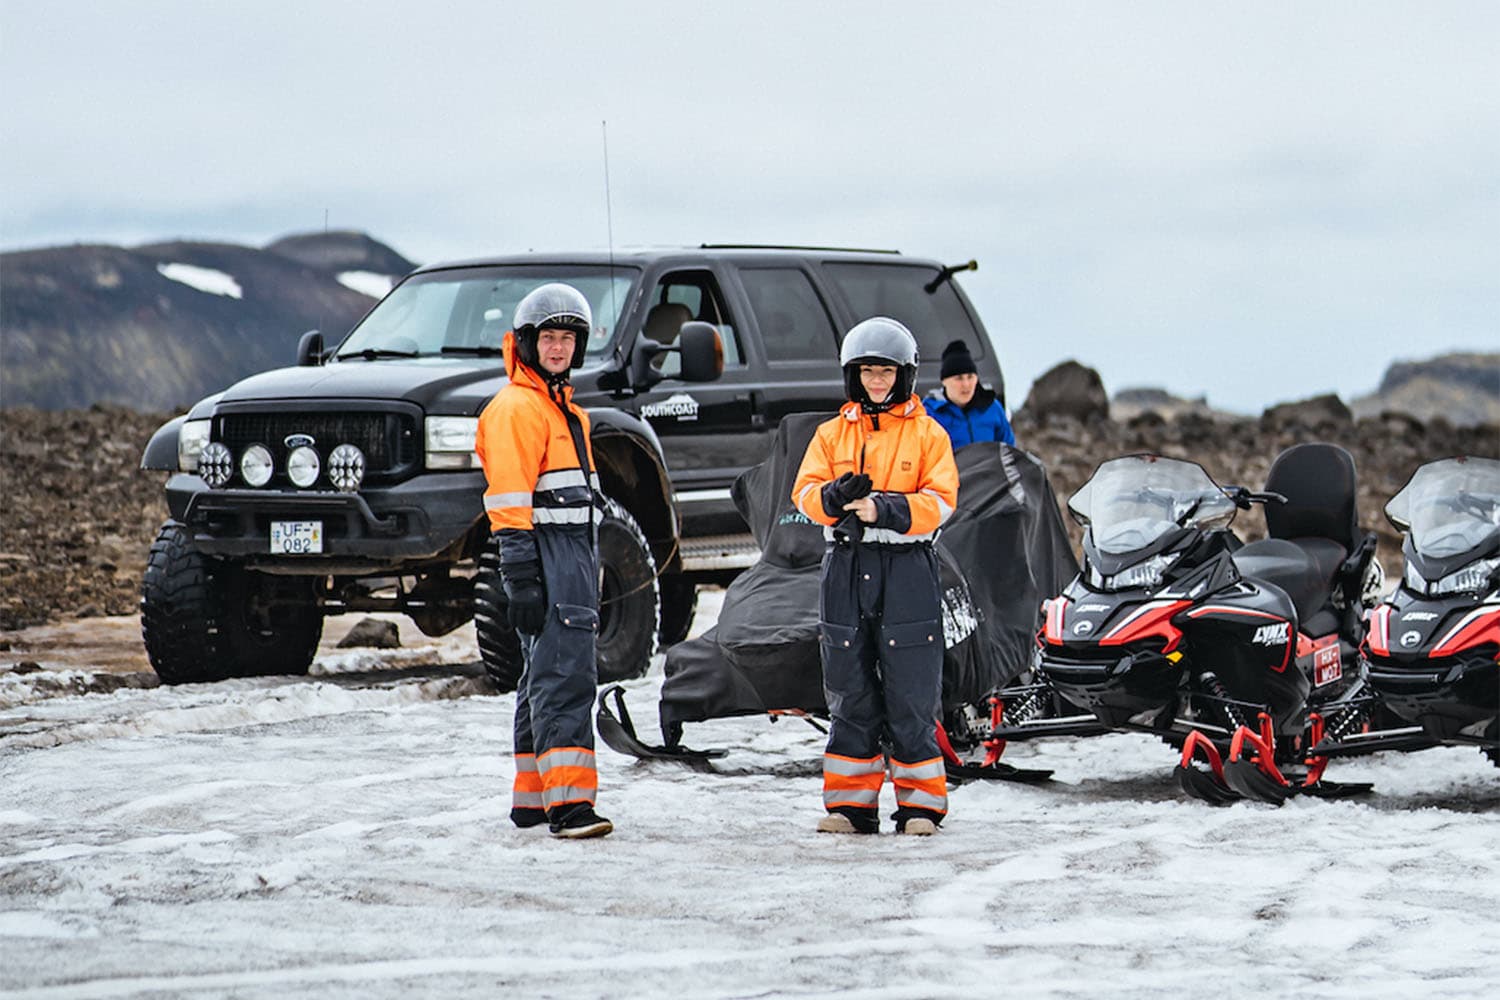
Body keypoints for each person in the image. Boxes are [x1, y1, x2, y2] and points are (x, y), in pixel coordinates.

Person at [790, 317, 960, 836]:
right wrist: (835, 498)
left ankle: (920, 807)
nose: (877, 381)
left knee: (911, 690)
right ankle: (850, 805)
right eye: (868, 372)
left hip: (907, 568)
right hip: (846, 566)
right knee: (849, 687)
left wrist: (885, 508)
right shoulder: (829, 434)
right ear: (853, 375)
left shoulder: (930, 433)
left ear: (904, 375)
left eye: (886, 372)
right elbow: (803, 495)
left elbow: (941, 501)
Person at [474, 282, 612, 840]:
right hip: (547, 557)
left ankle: (533, 801)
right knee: (564, 679)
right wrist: (522, 575)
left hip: (572, 557)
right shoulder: (517, 409)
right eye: (548, 338)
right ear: (527, 344)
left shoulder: (565, 412)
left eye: (567, 338)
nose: (558, 348)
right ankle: (569, 806)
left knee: (542, 679)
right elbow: (508, 500)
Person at [923, 339, 1015, 448]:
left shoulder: (993, 408)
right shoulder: (929, 414)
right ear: (944, 381)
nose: (966, 384)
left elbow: (1009, 452)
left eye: (970, 377)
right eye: (959, 378)